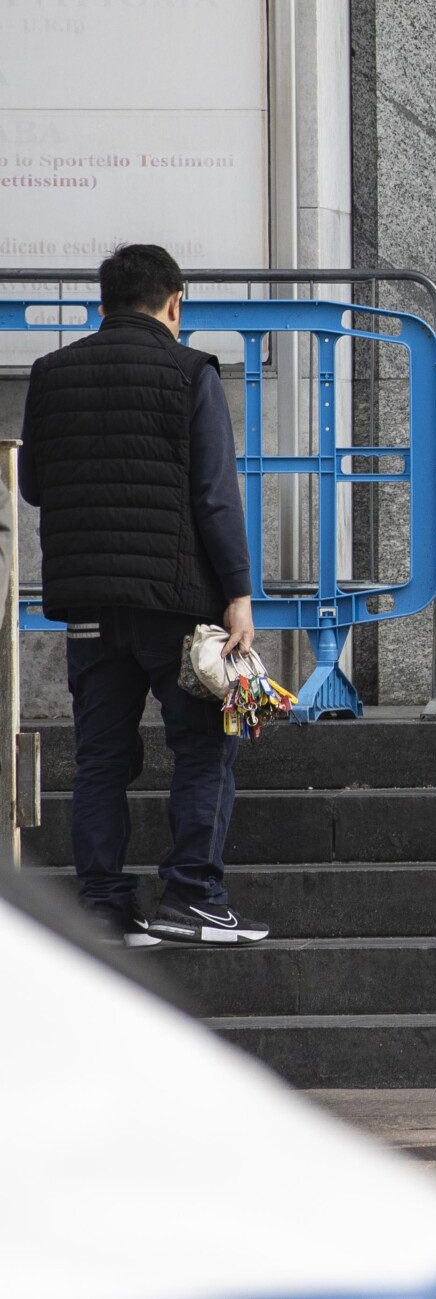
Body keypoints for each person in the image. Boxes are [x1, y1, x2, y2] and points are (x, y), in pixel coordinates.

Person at [21, 244, 264, 948]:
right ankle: (192, 895)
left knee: (101, 757)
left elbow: (35, 484)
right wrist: (239, 596)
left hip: (88, 602)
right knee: (203, 746)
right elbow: (216, 497)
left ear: (103, 303)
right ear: (174, 301)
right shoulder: (190, 372)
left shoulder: (50, 374)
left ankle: (103, 905)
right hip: (174, 599)